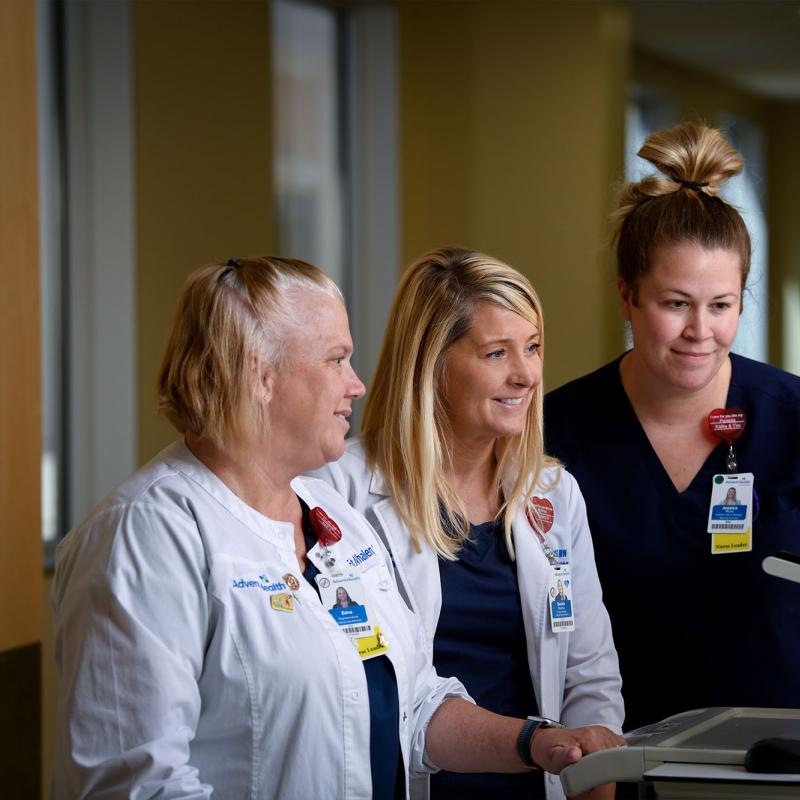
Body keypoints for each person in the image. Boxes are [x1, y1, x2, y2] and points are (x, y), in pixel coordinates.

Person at [52, 255, 624, 799]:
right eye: (335, 359)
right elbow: (136, 784)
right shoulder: (147, 534)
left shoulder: (332, 517)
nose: (358, 384)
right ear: (261, 374)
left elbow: (416, 705)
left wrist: (535, 742)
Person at [312, 247, 624, 800]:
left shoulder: (553, 495)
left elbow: (590, 676)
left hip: (537, 784)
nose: (527, 374)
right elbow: (349, 687)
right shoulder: (337, 493)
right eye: (496, 353)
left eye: (532, 348)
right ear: (432, 364)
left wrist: (592, 774)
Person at [544, 123, 800, 734]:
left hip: (776, 760)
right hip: (615, 758)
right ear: (627, 296)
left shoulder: (792, 420)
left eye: (721, 305)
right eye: (676, 303)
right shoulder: (553, 436)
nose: (700, 331)